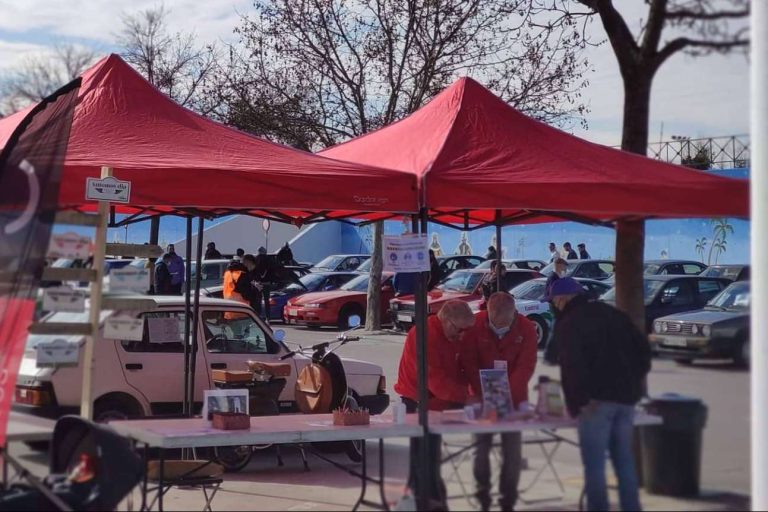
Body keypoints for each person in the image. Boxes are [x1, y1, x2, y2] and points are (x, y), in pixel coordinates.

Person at [548, 278, 651, 512]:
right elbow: (643, 351)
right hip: (625, 399)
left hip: (595, 402)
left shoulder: (569, 323)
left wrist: (577, 404)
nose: (553, 305)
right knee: (624, 462)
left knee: (595, 466)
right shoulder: (613, 314)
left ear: (562, 299)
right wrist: (633, 385)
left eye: (554, 301)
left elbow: (572, 368)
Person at [394, 300, 475, 510]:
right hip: (419, 403)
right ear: (447, 321)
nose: (463, 335)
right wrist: (468, 397)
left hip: (438, 404)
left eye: (467, 330)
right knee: (424, 460)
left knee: (429, 459)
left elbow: (463, 368)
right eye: (460, 330)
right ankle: (427, 502)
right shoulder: (423, 335)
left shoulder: (453, 335)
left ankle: (429, 500)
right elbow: (435, 380)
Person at [462, 292, 537, 511]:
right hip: (482, 397)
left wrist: (505, 396)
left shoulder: (527, 328)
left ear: (513, 314)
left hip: (514, 399)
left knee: (512, 452)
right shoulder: (475, 325)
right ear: (488, 312)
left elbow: (526, 366)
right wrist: (485, 394)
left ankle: (508, 499)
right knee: (480, 449)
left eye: (504, 325)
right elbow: (469, 363)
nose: (499, 329)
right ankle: (482, 496)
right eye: (495, 324)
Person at [252, 247, 275, 320]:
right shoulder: (269, 260)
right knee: (266, 301)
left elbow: (252, 271)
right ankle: (268, 317)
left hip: (258, 283)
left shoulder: (255, 259)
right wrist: (271, 281)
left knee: (258, 301)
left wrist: (255, 280)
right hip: (266, 283)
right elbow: (272, 271)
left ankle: (257, 317)